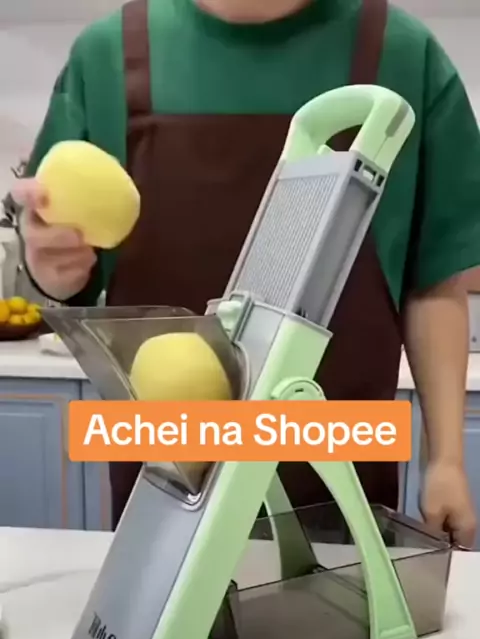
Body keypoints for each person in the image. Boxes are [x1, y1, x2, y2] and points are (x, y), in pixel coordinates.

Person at [12, 0, 479, 544]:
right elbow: (68, 282)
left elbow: (434, 281)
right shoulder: (106, 57)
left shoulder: (404, 55)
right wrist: (52, 266)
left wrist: (446, 460)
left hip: (340, 489)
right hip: (166, 491)